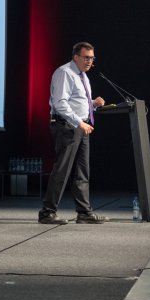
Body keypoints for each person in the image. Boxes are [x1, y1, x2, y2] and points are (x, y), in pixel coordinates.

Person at [39, 42, 108, 224]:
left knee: (82, 172)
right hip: (67, 126)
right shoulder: (65, 72)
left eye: (92, 58)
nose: (90, 61)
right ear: (76, 57)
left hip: (80, 126)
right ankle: (47, 212)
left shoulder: (83, 76)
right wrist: (79, 122)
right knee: (62, 170)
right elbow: (60, 103)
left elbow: (77, 101)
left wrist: (93, 104)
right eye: (86, 57)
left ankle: (84, 212)